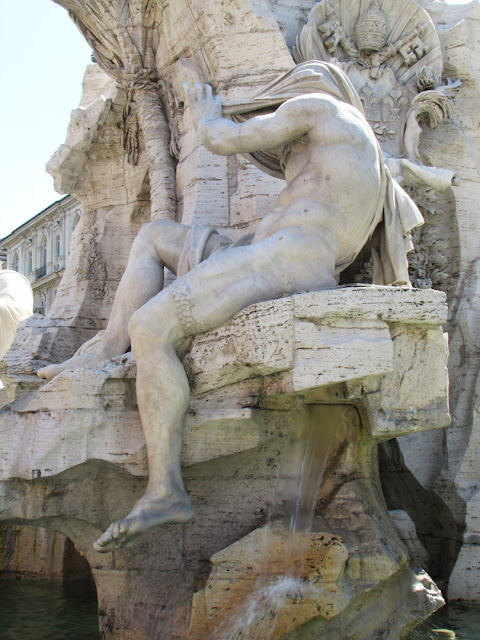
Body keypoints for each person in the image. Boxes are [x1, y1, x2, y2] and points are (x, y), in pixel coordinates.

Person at [37, 62, 423, 552]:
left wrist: (205, 110)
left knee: (152, 325)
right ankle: (107, 348)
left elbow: (222, 139)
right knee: (155, 236)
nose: (285, 145)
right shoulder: (361, 170)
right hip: (267, 252)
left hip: (283, 258)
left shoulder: (322, 107)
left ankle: (165, 490)